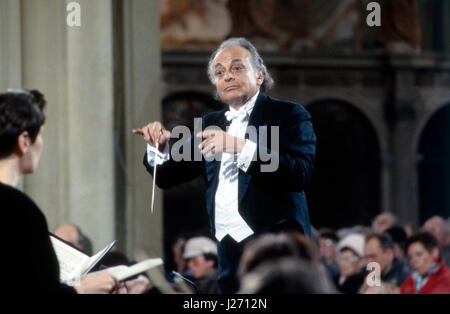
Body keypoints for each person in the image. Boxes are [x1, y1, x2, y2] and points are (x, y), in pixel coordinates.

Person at [133, 37, 316, 293]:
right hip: (229, 253)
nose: (227, 76)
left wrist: (240, 146)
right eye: (219, 73)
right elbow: (166, 177)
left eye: (237, 68)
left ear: (260, 75)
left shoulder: (289, 114)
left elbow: (300, 173)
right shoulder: (210, 123)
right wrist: (159, 147)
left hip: (279, 255)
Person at [0, 89, 119, 294]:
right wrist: (81, 290)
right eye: (42, 135)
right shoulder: (20, 211)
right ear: (24, 141)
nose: (42, 145)